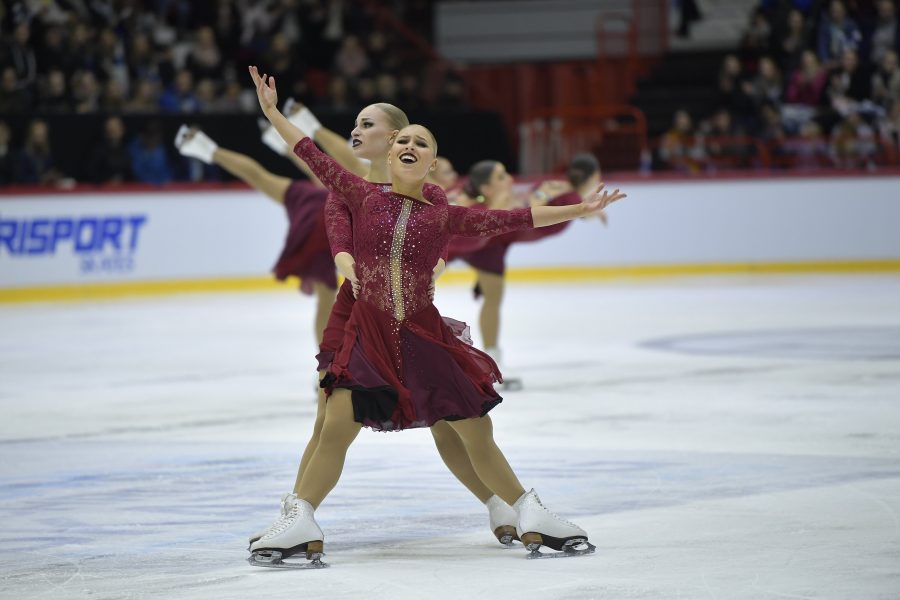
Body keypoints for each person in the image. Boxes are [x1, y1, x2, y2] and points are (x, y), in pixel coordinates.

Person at [246, 66, 625, 566]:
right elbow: (310, 153)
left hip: (424, 334)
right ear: (391, 152)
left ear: (430, 161)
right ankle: (299, 521)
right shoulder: (360, 193)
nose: (409, 146)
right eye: (402, 139)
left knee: (473, 429)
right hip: (370, 331)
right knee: (337, 421)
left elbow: (511, 218)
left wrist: (577, 209)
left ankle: (528, 512)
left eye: (420, 143)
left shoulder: (441, 212)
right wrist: (273, 112)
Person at [248, 100, 530, 549]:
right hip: (356, 307)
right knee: (330, 417)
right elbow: (337, 222)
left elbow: (441, 232)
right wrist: (343, 255)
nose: (357, 132)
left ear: (396, 135)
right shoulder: (352, 187)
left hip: (405, 309)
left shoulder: (429, 192)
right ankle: (296, 512)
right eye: (355, 125)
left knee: (446, 420)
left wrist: (437, 262)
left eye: (367, 125)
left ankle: (497, 502)